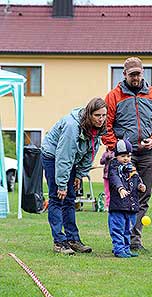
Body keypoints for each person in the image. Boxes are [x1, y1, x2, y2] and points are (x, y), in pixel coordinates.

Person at [102, 56, 152, 251]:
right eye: (131, 74)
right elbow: (106, 127)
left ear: (143, 73)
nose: (135, 78)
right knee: (122, 196)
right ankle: (122, 238)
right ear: (124, 74)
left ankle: (135, 240)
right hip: (124, 157)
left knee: (143, 195)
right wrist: (117, 147)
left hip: (149, 153)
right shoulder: (114, 96)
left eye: (138, 74)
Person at [41, 97, 107, 255]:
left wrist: (79, 175)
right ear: (89, 114)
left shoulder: (97, 128)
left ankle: (73, 239)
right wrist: (62, 185)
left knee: (70, 199)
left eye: (104, 115)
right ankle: (59, 242)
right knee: (57, 197)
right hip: (52, 156)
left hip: (70, 159)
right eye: (98, 115)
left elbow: (90, 152)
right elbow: (64, 157)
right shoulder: (72, 127)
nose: (101, 119)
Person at [108, 139, 146, 258]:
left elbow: (137, 179)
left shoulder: (132, 168)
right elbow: (115, 179)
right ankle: (118, 249)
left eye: (128, 156)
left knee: (128, 229)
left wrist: (140, 186)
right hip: (118, 206)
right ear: (117, 156)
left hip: (131, 206)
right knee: (117, 228)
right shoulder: (114, 168)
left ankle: (125, 248)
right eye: (123, 156)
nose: (126, 158)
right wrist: (120, 188)